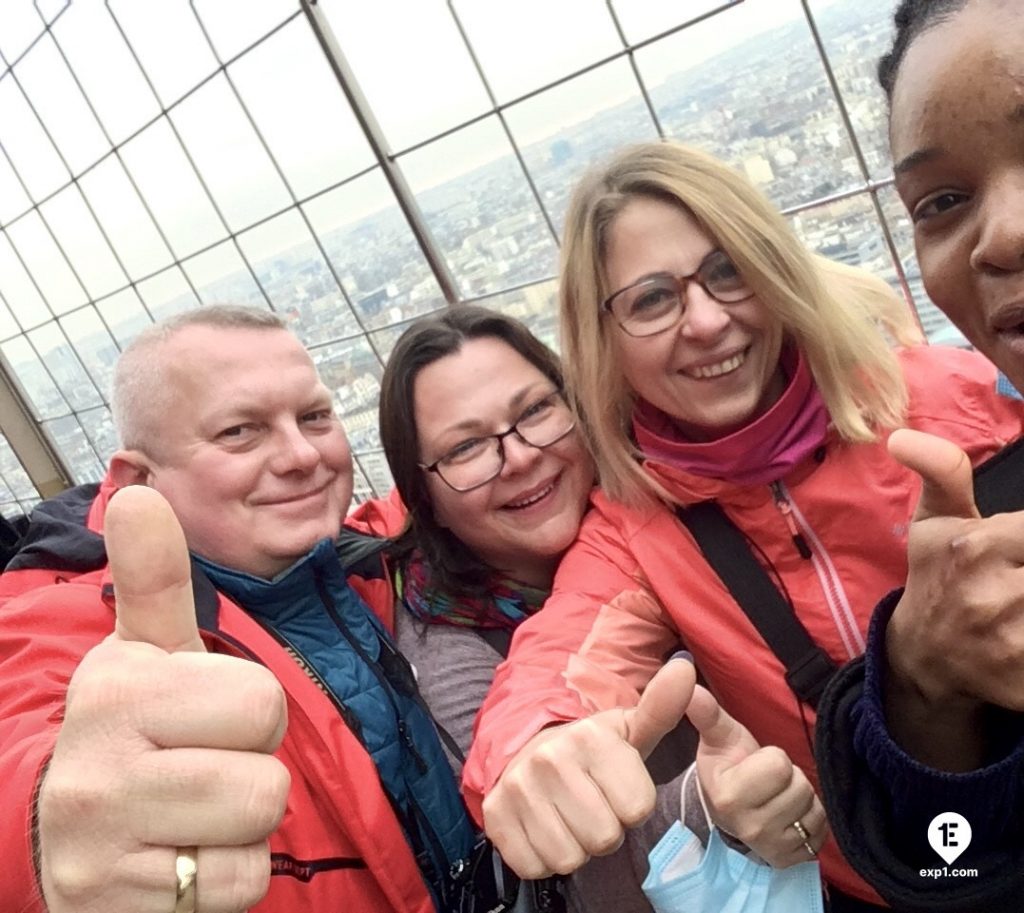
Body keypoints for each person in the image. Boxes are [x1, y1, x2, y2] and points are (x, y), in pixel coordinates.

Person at [460, 139, 1024, 911]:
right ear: (605, 337)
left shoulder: (957, 403)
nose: (706, 320)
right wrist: (539, 751)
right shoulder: (639, 528)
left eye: (729, 271)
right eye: (652, 299)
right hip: (889, 880)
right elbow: (559, 663)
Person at [0, 305, 478, 913]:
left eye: (315, 416)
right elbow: (20, 737)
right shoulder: (85, 627)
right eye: (240, 431)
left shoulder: (361, 559)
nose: (302, 454)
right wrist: (48, 843)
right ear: (138, 482)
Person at [364, 304, 801, 911]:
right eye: (466, 448)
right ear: (425, 499)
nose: (518, 457)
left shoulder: (670, 504)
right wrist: (723, 797)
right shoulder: (446, 652)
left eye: (536, 411)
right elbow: (581, 846)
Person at [814, 1, 1024, 910]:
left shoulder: (946, 406)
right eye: (941, 200)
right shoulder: (993, 513)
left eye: (731, 273)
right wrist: (923, 690)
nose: (1004, 234)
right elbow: (958, 869)